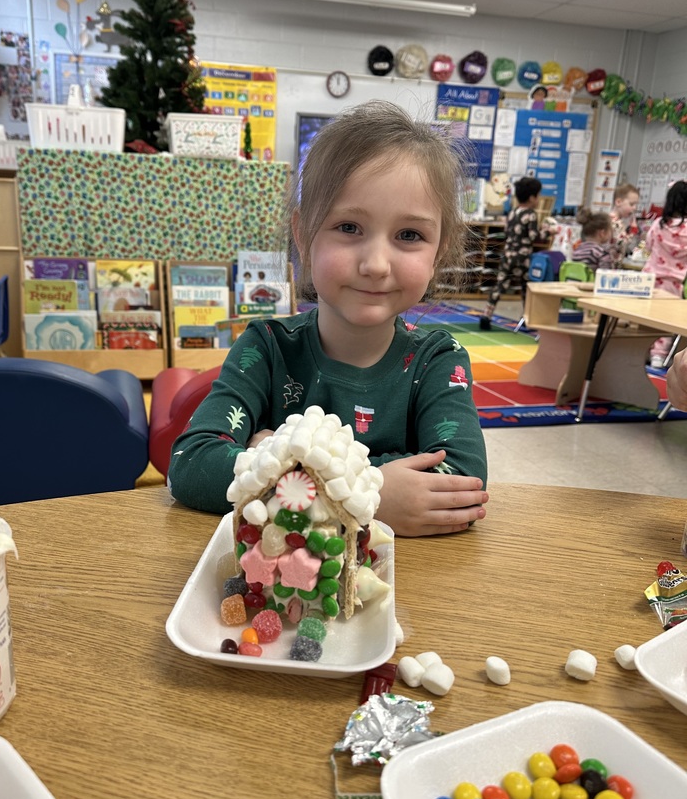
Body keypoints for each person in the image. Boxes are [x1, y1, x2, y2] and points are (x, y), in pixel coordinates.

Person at [168, 101, 488, 538]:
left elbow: (461, 484)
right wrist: (374, 493)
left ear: (439, 250)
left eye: (409, 235)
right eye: (349, 227)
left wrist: (274, 455)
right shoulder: (267, 346)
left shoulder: (438, 360)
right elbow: (190, 465)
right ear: (304, 236)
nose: (376, 264)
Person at [479, 176, 556, 330]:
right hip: (523, 257)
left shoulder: (513, 212)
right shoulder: (531, 214)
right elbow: (534, 236)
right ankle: (526, 317)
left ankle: (487, 315)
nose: (538, 199)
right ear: (532, 197)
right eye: (538, 196)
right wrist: (549, 232)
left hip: (508, 254)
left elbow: (508, 231)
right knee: (527, 287)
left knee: (500, 285)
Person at [643, 179, 687, 367]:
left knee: (646, 317)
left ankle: (642, 349)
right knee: (666, 319)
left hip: (650, 278)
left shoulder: (658, 224)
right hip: (673, 282)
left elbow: (648, 246)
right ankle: (659, 356)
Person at [610, 182, 640, 262]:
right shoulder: (615, 223)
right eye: (631, 204)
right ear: (618, 202)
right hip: (610, 264)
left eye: (636, 205)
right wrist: (633, 230)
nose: (634, 208)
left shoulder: (612, 220)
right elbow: (623, 243)